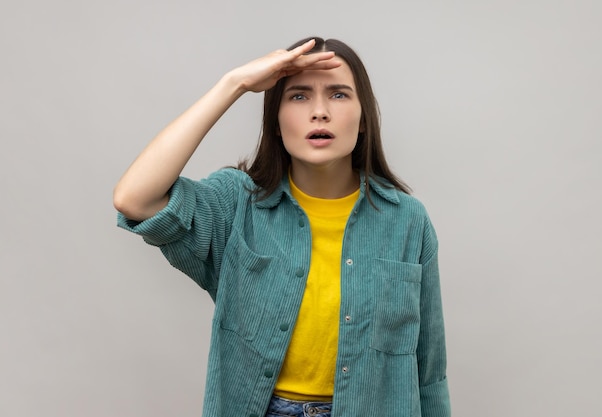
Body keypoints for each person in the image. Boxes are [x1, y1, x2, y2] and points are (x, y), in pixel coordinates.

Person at [114, 36, 451, 417]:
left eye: (339, 95)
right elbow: (135, 199)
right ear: (275, 123)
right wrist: (234, 83)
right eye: (299, 96)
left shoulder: (406, 220)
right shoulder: (237, 205)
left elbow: (429, 372)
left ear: (362, 121)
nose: (319, 112)